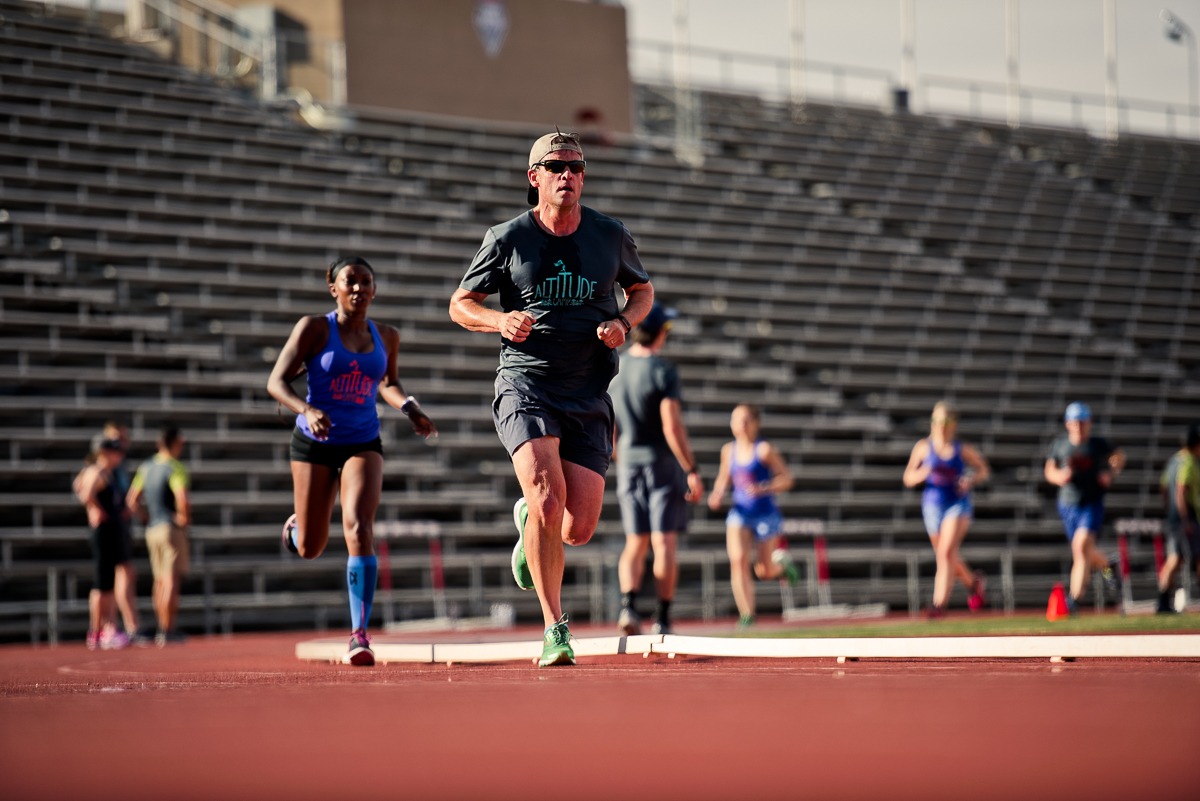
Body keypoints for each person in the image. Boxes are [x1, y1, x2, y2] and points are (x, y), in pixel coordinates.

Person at [449, 129, 655, 666]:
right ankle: (554, 628)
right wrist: (498, 318)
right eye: (556, 166)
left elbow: (643, 291)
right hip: (527, 384)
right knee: (547, 497)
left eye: (576, 166)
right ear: (533, 176)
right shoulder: (508, 238)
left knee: (577, 528)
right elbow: (460, 303)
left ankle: (528, 526)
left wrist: (624, 322)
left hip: (588, 390)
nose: (568, 175)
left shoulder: (610, 236)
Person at [267, 255, 438, 666]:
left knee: (359, 526)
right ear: (334, 287)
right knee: (311, 546)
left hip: (363, 440)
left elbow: (388, 383)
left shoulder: (387, 336)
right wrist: (305, 411)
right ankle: (295, 530)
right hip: (315, 441)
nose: (359, 288)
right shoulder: (313, 328)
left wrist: (410, 408)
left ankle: (359, 635)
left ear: (375, 290)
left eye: (366, 281)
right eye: (350, 281)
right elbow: (276, 381)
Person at [609, 303, 705, 636]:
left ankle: (628, 607)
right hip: (661, 463)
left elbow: (611, 427)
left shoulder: (617, 368)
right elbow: (672, 425)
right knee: (664, 543)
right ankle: (662, 617)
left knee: (635, 541)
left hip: (628, 462)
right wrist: (691, 468)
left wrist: (619, 457)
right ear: (661, 333)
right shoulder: (664, 370)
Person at [707, 404, 798, 628]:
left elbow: (787, 479)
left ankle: (782, 566)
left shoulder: (764, 450)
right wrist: (717, 494)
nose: (741, 424)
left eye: (746, 419)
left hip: (765, 514)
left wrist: (764, 487)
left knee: (764, 571)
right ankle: (747, 614)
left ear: (756, 423)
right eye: (737, 419)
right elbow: (723, 477)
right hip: (740, 513)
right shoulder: (728, 450)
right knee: (737, 560)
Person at [902, 401, 991, 618]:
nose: (941, 426)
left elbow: (983, 471)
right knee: (947, 556)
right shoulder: (923, 447)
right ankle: (973, 584)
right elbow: (908, 478)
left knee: (945, 553)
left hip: (957, 505)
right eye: (937, 421)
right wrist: (922, 473)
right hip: (932, 506)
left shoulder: (962, 449)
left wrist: (970, 479)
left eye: (945, 421)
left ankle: (938, 604)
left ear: (953, 424)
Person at [1044, 401, 1124, 614]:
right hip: (1068, 504)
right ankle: (1108, 565)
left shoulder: (1097, 444)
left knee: (1080, 547)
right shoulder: (1060, 445)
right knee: (1084, 550)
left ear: (1089, 423)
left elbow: (1118, 457)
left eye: (1082, 422)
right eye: (1075, 423)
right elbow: (1049, 470)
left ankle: (1074, 600)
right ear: (1068, 424)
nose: (1078, 427)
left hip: (1092, 503)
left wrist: (1110, 474)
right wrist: (1060, 476)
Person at [127, 424, 191, 644]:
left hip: (152, 528)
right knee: (171, 579)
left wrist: (145, 516)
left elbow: (131, 500)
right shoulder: (175, 467)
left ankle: (161, 628)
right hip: (169, 528)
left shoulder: (146, 467)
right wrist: (183, 518)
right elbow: (182, 498)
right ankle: (167, 629)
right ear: (173, 443)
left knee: (159, 581)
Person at [75, 438, 135, 649]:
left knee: (107, 582)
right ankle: (97, 630)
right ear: (106, 452)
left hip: (110, 532)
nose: (119, 457)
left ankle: (106, 629)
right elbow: (85, 493)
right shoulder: (98, 471)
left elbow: (77, 484)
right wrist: (96, 509)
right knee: (102, 584)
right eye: (116, 452)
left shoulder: (104, 472)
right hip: (104, 532)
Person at [1156, 423, 1200, 613]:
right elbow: (1181, 491)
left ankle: (1163, 601)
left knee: (1174, 559)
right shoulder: (1189, 461)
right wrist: (1185, 519)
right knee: (1198, 557)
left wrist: (1170, 512)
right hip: (1186, 517)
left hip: (1173, 518)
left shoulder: (1174, 460)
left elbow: (1164, 488)